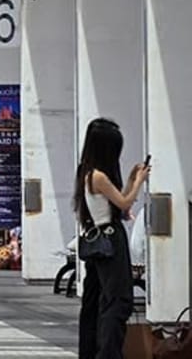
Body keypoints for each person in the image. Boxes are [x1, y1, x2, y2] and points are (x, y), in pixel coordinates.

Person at [75, 117, 148, 359]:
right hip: (110, 241)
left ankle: (91, 351)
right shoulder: (99, 176)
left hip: (97, 240)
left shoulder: (86, 172)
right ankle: (109, 353)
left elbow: (116, 202)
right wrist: (139, 182)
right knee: (118, 301)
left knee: (96, 300)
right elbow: (125, 203)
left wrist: (131, 180)